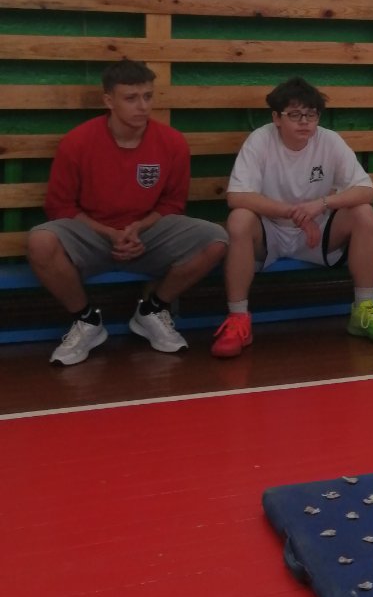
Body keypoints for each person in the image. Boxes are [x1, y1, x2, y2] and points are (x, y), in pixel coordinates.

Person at [28, 59, 227, 367]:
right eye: (131, 98)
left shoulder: (172, 142)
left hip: (146, 235)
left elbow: (172, 205)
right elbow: (60, 207)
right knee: (40, 241)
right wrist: (110, 233)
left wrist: (138, 228)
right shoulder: (77, 142)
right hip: (92, 235)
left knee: (215, 239)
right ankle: (87, 320)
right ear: (109, 100)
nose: (143, 106)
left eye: (148, 96)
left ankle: (152, 310)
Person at [210, 76, 373, 357]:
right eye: (295, 114)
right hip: (271, 231)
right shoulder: (260, 140)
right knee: (239, 219)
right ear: (276, 117)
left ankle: (363, 310)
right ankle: (238, 319)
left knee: (364, 213)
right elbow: (237, 196)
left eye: (311, 114)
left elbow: (366, 191)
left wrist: (321, 204)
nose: (304, 122)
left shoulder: (329, 140)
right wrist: (293, 212)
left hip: (319, 232)